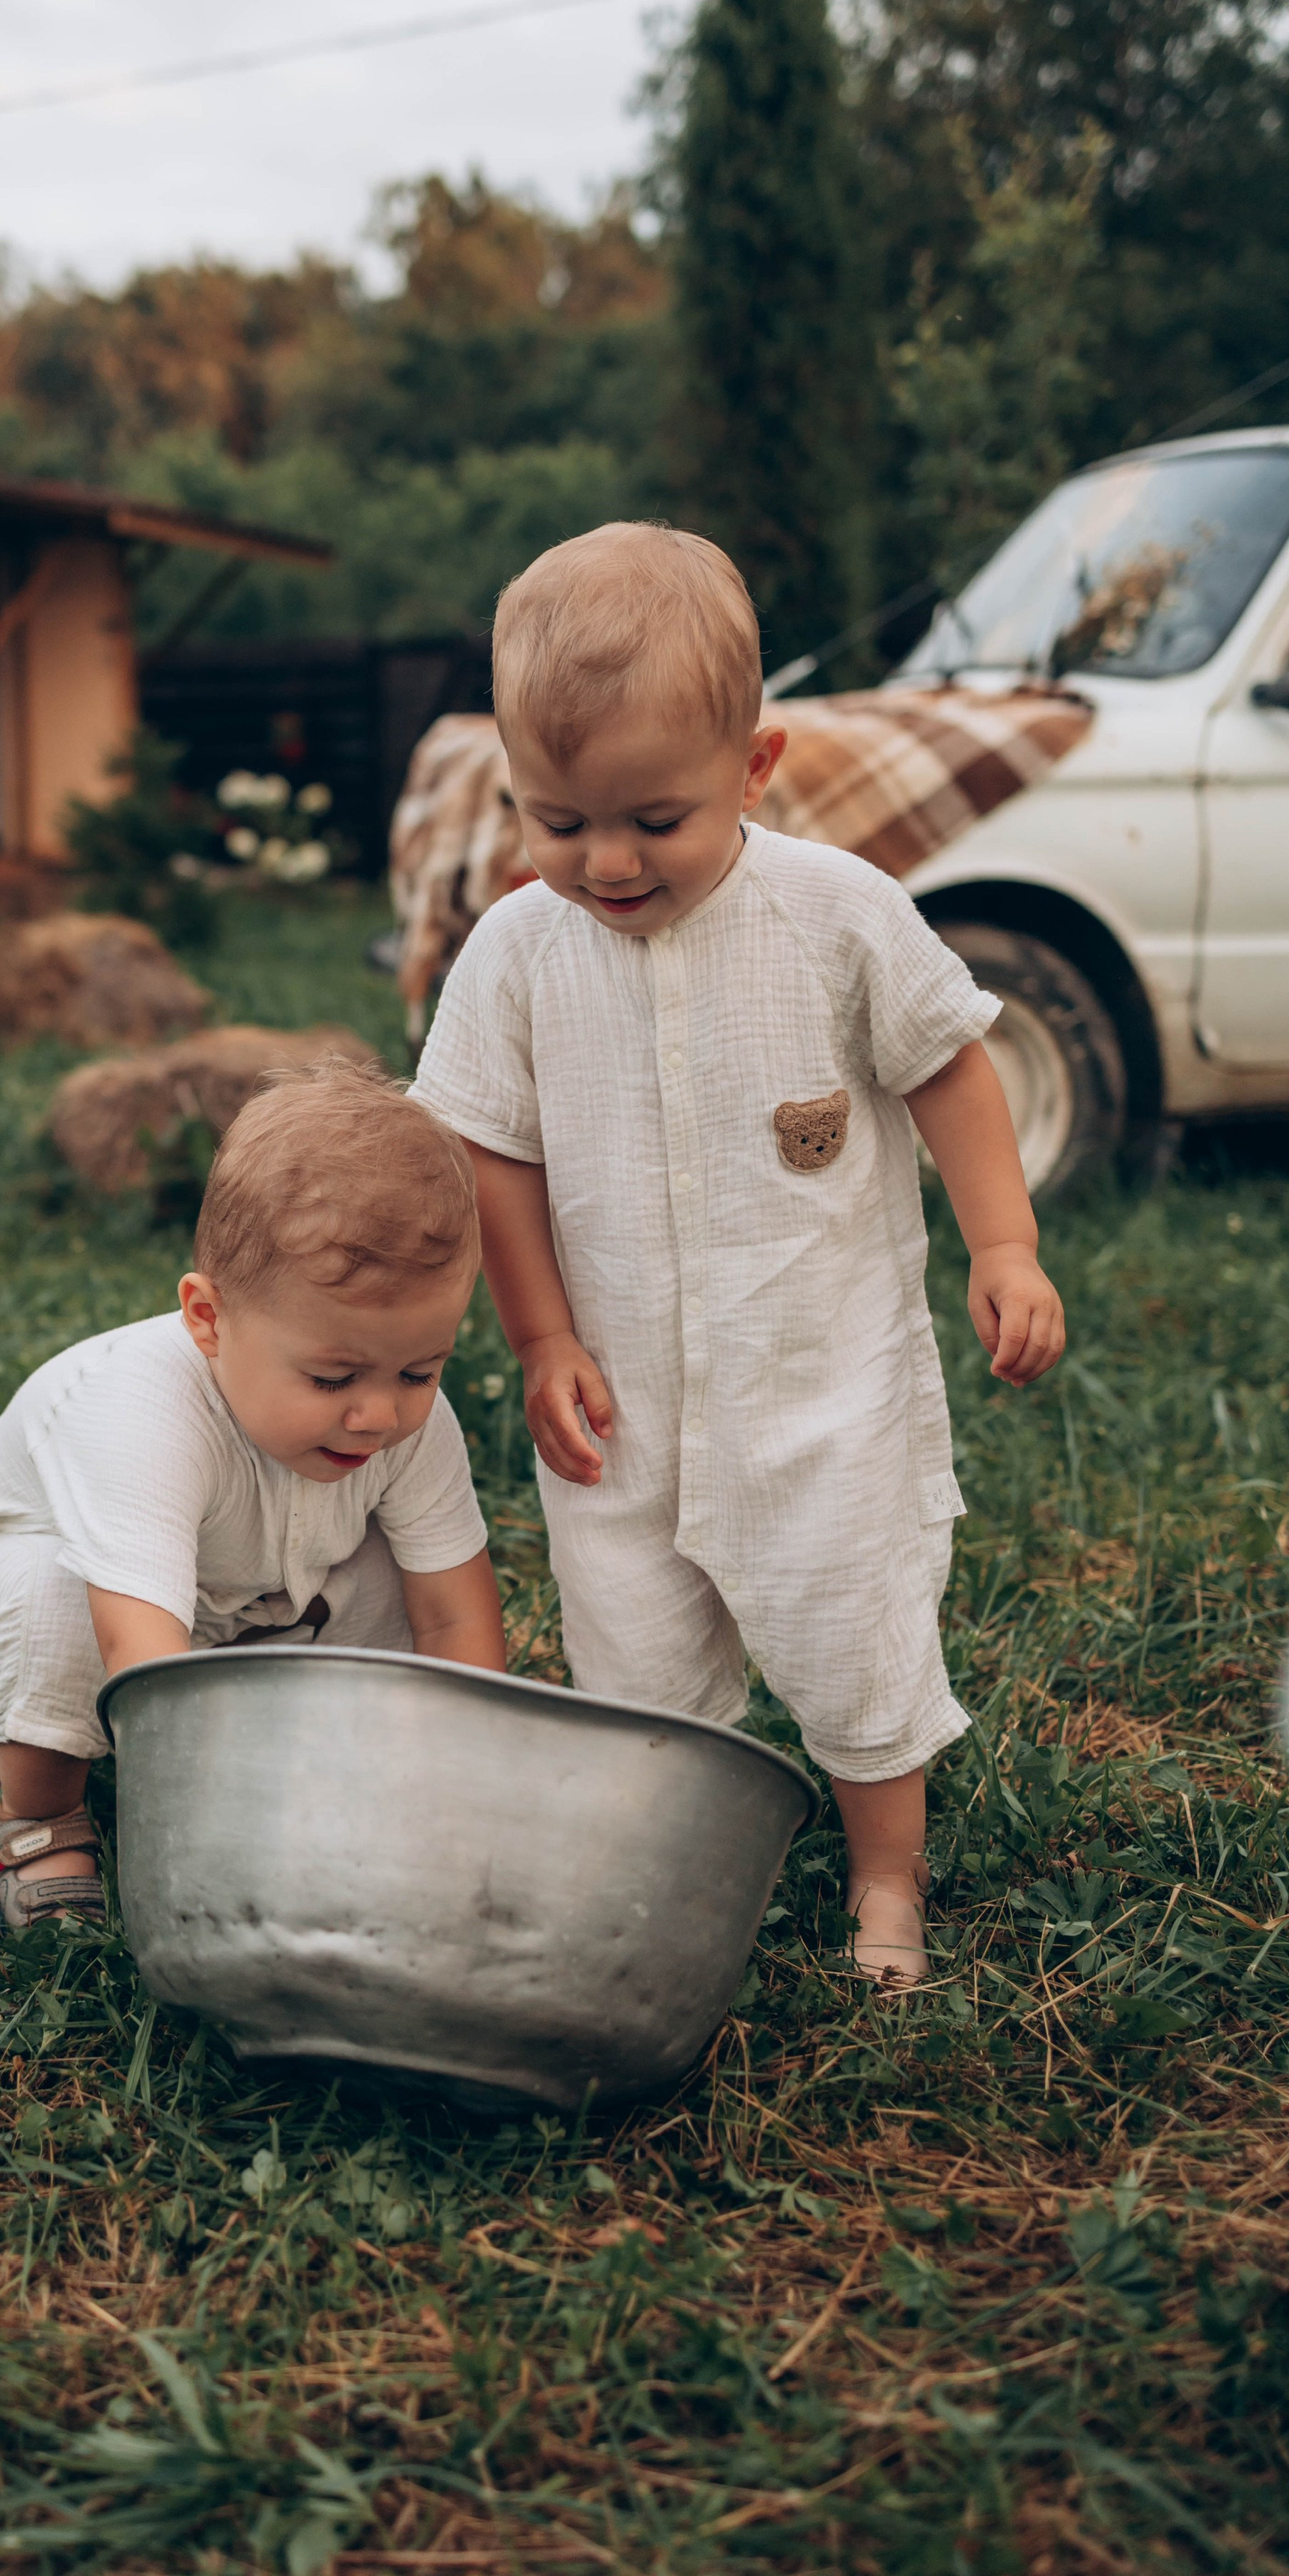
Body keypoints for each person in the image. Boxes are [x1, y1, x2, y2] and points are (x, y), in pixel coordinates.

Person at [410, 523, 1066, 1986]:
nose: (605, 860)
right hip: (618, 1404)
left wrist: (1001, 1245)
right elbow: (490, 1149)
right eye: (557, 819)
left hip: (818, 1388)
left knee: (850, 1638)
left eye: (654, 816)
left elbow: (948, 1067)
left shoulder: (837, 916)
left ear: (754, 769)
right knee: (634, 1666)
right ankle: (662, 1868)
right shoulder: (516, 953)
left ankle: (882, 1885)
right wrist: (538, 1340)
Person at [0, 1062, 505, 1931]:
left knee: (391, 1576)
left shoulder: (407, 1424)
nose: (379, 1412)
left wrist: (471, 1788)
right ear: (208, 1320)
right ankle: (34, 1815)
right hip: (74, 1569)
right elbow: (142, 1650)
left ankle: (378, 1779)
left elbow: (454, 1616)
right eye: (334, 1374)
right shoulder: (139, 1410)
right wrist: (222, 1833)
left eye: (420, 1370)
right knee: (58, 1609)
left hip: (255, 1584)